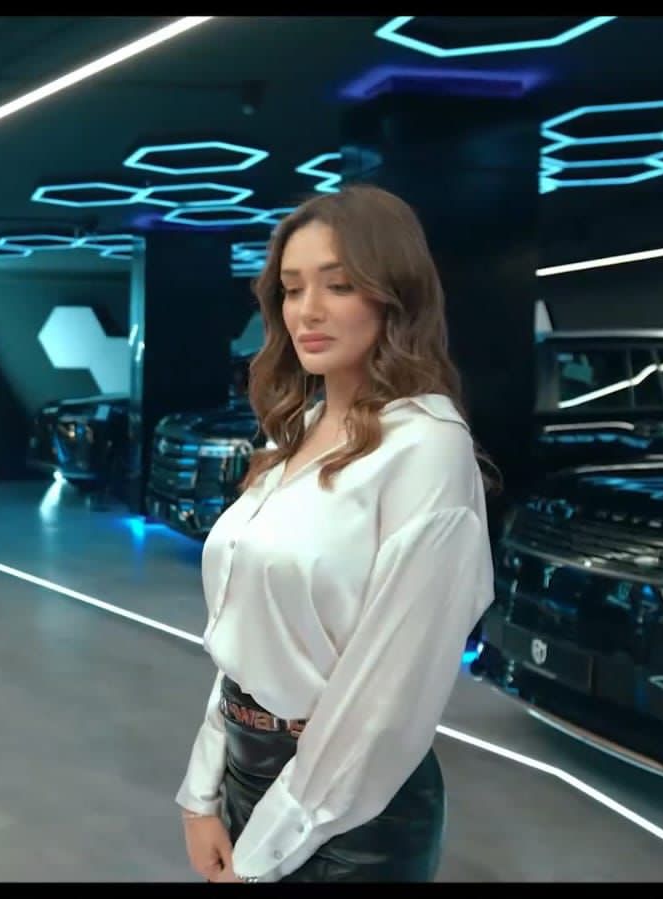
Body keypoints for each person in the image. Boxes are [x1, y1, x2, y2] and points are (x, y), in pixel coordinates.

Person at [175, 184, 497, 883]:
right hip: (247, 779)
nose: (308, 310)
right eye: (292, 289)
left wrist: (263, 851)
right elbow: (248, 637)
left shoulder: (427, 448)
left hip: (351, 817)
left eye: (339, 285)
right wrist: (202, 790)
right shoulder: (293, 432)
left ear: (394, 296)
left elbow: (387, 697)